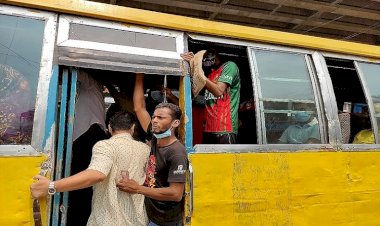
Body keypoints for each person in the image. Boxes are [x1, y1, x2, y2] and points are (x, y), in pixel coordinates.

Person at [31, 111, 150, 226]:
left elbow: (97, 174)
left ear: (109, 127)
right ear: (133, 128)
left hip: (108, 220)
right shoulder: (145, 149)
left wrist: (52, 186)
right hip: (137, 220)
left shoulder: (105, 146)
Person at [116, 73, 188, 226]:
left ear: (175, 123)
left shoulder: (176, 152)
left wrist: (138, 189)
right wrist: (140, 74)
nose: (154, 120)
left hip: (165, 220)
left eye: (161, 118)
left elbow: (176, 194)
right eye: (154, 117)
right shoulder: (156, 138)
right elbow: (139, 107)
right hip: (150, 213)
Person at [67, 69, 108, 226]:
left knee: (81, 179)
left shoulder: (92, 83)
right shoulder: (94, 90)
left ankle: (78, 217)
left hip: (89, 132)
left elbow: (77, 71)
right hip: (89, 133)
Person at [181, 49, 241, 144]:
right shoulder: (211, 73)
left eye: (204, 57)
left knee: (224, 159)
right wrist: (194, 64)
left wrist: (197, 69)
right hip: (208, 128)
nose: (203, 60)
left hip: (225, 128)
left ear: (213, 53)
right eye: (202, 59)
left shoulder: (229, 66)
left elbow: (218, 91)